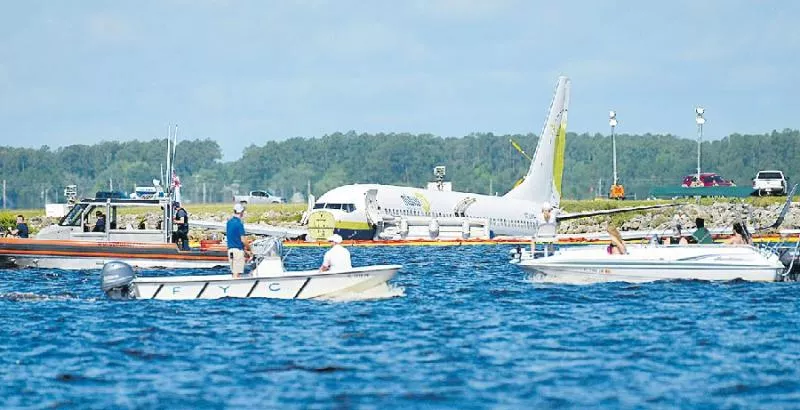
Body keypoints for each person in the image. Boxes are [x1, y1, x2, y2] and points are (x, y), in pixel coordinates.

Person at [226, 203, 251, 278]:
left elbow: (234, 237)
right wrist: (249, 249)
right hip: (237, 251)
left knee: (234, 272)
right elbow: (243, 240)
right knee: (237, 273)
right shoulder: (239, 224)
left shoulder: (229, 222)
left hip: (230, 250)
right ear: (241, 212)